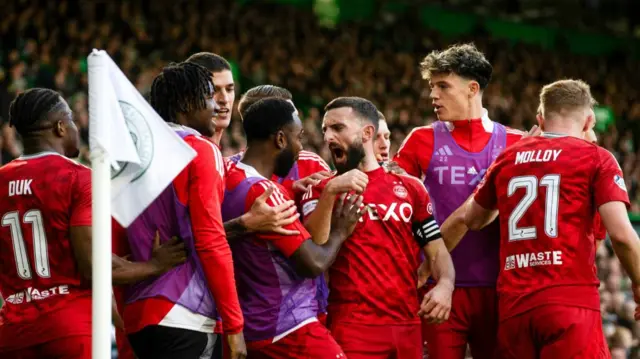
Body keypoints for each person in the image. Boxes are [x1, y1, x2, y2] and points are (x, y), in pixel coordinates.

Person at [0, 88, 186, 359]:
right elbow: (93, 267)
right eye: (73, 119)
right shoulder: (78, 178)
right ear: (61, 127)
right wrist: (154, 266)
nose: (77, 127)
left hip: (12, 332)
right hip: (69, 327)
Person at [465, 79, 640, 358]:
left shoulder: (507, 158)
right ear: (589, 120)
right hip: (570, 303)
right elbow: (621, 235)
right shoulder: (597, 158)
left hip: (514, 307)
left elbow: (473, 219)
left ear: (540, 119)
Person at [392, 43, 523, 359]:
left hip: (499, 292)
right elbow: (390, 201)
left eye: (442, 86)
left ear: (472, 89)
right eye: (431, 87)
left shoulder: (517, 143)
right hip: (436, 289)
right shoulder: (420, 139)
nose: (432, 96)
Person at [300, 96, 455, 359]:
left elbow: (436, 250)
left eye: (337, 128)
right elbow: (313, 247)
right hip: (352, 326)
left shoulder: (411, 188)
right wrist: (330, 192)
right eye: (325, 129)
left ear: (367, 133)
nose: (327, 136)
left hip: (407, 324)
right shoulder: (319, 189)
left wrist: (446, 285)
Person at [119, 63, 246, 359]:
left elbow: (115, 242)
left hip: (139, 317)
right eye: (209, 96)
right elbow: (210, 239)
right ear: (188, 103)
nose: (216, 105)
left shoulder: (133, 155)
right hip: (185, 315)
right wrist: (235, 325)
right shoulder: (199, 149)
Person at [222, 98, 358, 358]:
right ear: (281, 139)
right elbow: (312, 264)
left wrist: (286, 190)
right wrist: (340, 231)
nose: (300, 148)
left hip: (254, 325)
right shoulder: (265, 194)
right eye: (298, 138)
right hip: (288, 326)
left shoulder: (229, 172)